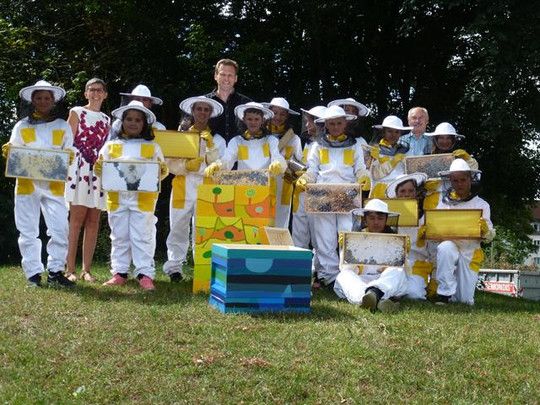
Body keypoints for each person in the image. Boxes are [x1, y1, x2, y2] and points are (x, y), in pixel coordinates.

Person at [2, 80, 75, 287]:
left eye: (47, 98)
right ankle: (33, 274)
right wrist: (11, 152)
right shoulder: (21, 125)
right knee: (27, 230)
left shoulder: (62, 126)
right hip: (27, 185)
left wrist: (70, 156)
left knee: (60, 228)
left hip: (54, 186)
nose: (43, 101)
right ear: (33, 100)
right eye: (39, 97)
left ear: (53, 101)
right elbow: (15, 151)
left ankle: (55, 272)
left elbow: (69, 150)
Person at [96, 101, 168, 291]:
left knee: (142, 235)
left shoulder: (152, 146)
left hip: (143, 199)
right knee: (119, 235)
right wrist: (98, 168)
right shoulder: (111, 145)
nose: (133, 123)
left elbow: (161, 172)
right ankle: (119, 273)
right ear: (122, 121)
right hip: (117, 198)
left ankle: (144, 274)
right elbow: (101, 168)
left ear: (144, 123)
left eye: (137, 120)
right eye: (129, 119)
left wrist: (162, 170)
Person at [296, 105, 369, 286]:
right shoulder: (317, 146)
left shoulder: (355, 146)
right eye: (332, 123)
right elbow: (312, 170)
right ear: (326, 124)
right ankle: (329, 277)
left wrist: (364, 177)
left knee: (347, 235)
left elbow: (360, 168)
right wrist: (305, 178)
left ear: (345, 123)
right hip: (322, 194)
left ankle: (348, 275)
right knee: (324, 238)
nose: (335, 126)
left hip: (347, 193)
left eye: (339, 123)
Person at [163, 96, 226, 282]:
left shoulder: (219, 139)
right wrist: (186, 166)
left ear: (211, 114)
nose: (202, 113)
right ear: (193, 111)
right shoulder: (181, 135)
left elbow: (222, 165)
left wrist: (211, 149)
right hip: (183, 183)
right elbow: (169, 164)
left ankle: (203, 266)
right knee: (178, 226)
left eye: (206, 110)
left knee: (204, 229)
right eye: (199, 109)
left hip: (207, 186)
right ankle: (174, 268)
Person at [426, 159, 495, 305]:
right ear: (450, 181)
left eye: (463, 180)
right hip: (450, 246)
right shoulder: (443, 203)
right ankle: (444, 295)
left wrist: (485, 231)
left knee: (465, 301)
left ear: (470, 179)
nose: (459, 184)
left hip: (470, 252)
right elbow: (436, 228)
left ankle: (454, 294)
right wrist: (430, 230)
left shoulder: (482, 205)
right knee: (445, 248)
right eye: (455, 180)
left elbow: (489, 237)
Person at [65, 78, 110, 282]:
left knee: (94, 221)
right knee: (76, 220)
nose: (95, 93)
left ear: (105, 94)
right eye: (91, 90)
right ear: (85, 93)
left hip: (98, 172)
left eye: (99, 90)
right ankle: (70, 270)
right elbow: (67, 142)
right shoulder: (76, 112)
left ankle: (86, 270)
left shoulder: (107, 120)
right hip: (79, 170)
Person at [333, 199, 409, 313]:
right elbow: (346, 269)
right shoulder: (355, 238)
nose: (376, 222)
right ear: (365, 219)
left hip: (385, 280)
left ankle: (373, 295)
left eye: (380, 218)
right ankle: (377, 299)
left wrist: (404, 254)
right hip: (361, 280)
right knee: (344, 276)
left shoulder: (395, 240)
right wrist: (347, 248)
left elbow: (405, 270)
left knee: (397, 271)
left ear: (386, 220)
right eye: (372, 218)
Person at [205, 102, 286, 177]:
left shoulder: (271, 140)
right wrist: (218, 165)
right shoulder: (236, 141)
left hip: (266, 185)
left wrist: (278, 163)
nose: (253, 122)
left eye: (256, 119)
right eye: (249, 119)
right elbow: (227, 159)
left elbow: (277, 156)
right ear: (244, 120)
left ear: (263, 120)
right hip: (243, 184)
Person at [292, 106, 326, 287]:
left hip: (317, 195)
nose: (307, 125)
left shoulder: (325, 145)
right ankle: (299, 274)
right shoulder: (307, 143)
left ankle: (321, 276)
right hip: (300, 195)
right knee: (299, 235)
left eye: (310, 121)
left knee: (318, 236)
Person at [386, 173, 431, 300]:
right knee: (390, 286)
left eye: (411, 191)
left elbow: (434, 251)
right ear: (397, 194)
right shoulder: (389, 217)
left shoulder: (426, 217)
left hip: (418, 265)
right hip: (396, 265)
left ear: (416, 193)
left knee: (414, 294)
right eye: (402, 191)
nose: (407, 194)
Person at [263, 97, 302, 228]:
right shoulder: (260, 134)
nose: (278, 117)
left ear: (287, 117)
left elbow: (300, 165)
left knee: (280, 225)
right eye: (275, 112)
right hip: (263, 182)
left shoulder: (294, 138)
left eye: (282, 114)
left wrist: (291, 173)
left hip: (283, 184)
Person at [423, 122, 479, 210]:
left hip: (457, 197)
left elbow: (473, 173)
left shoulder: (459, 154)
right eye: (441, 138)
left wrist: (468, 159)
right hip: (433, 199)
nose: (445, 141)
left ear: (453, 140)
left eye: (448, 138)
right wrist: (427, 184)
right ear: (436, 139)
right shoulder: (427, 157)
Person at [206, 59, 252, 142]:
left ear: (236, 78)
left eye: (230, 75)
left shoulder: (247, 104)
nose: (226, 78)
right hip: (209, 153)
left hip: (240, 153)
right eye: (222, 74)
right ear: (215, 76)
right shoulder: (203, 103)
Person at [368, 115, 412, 198]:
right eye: (390, 131)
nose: (393, 135)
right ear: (383, 132)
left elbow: (408, 173)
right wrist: (394, 161)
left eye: (397, 132)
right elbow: (376, 174)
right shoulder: (374, 150)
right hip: (379, 191)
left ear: (400, 133)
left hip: (399, 192)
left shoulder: (404, 150)